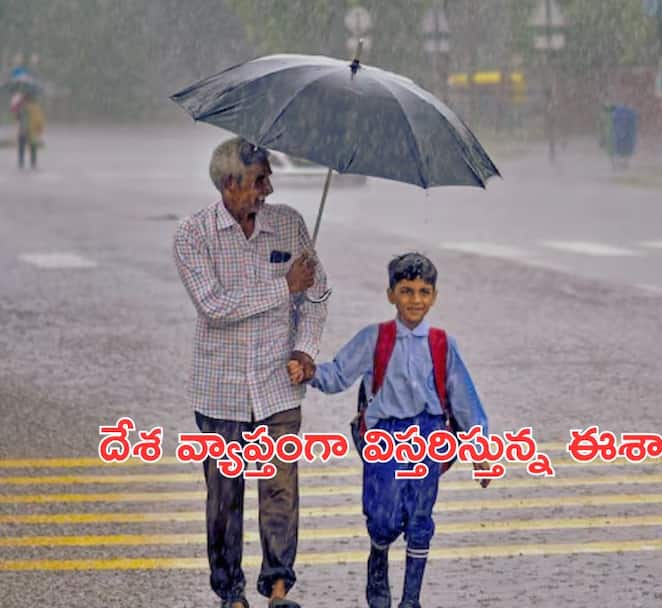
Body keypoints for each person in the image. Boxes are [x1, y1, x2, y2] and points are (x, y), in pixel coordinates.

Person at [173, 137, 327, 608]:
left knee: (281, 492)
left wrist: (304, 348)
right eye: (260, 180)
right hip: (219, 392)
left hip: (279, 387)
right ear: (229, 184)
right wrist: (283, 286)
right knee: (224, 500)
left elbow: (317, 296)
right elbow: (215, 306)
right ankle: (231, 594)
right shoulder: (193, 235)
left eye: (267, 178)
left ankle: (279, 588)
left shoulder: (290, 225)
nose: (268, 189)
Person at [290, 252, 490, 608]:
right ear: (391, 294)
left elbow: (464, 400)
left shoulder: (443, 345)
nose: (416, 300)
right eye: (407, 291)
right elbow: (339, 374)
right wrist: (309, 372)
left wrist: (482, 453)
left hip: (429, 437)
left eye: (424, 292)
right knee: (381, 516)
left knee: (420, 517)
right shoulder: (374, 338)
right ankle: (379, 553)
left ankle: (411, 599)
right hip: (383, 438)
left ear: (434, 297)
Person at [10, 91, 44, 170]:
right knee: (30, 147)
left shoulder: (24, 107)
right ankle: (31, 163)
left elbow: (17, 118)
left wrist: (17, 108)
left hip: (26, 130)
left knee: (26, 147)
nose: (24, 100)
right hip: (27, 130)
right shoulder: (32, 107)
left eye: (24, 99)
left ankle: (24, 163)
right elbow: (39, 119)